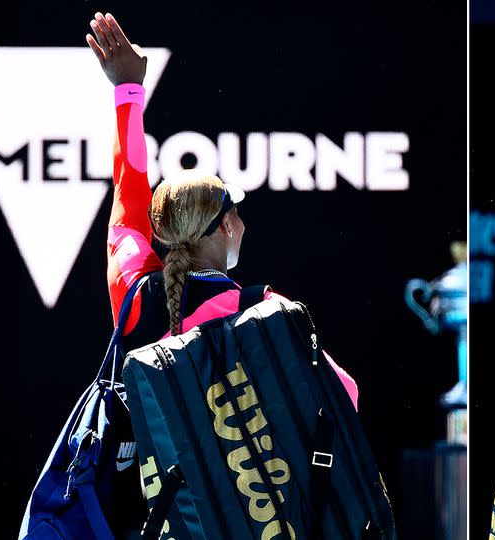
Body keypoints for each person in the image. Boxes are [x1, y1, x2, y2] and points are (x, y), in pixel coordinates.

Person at [85, 10, 360, 534]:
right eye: (239, 215)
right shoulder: (264, 313)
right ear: (228, 225)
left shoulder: (133, 292)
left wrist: (128, 91)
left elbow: (128, 188)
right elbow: (344, 396)